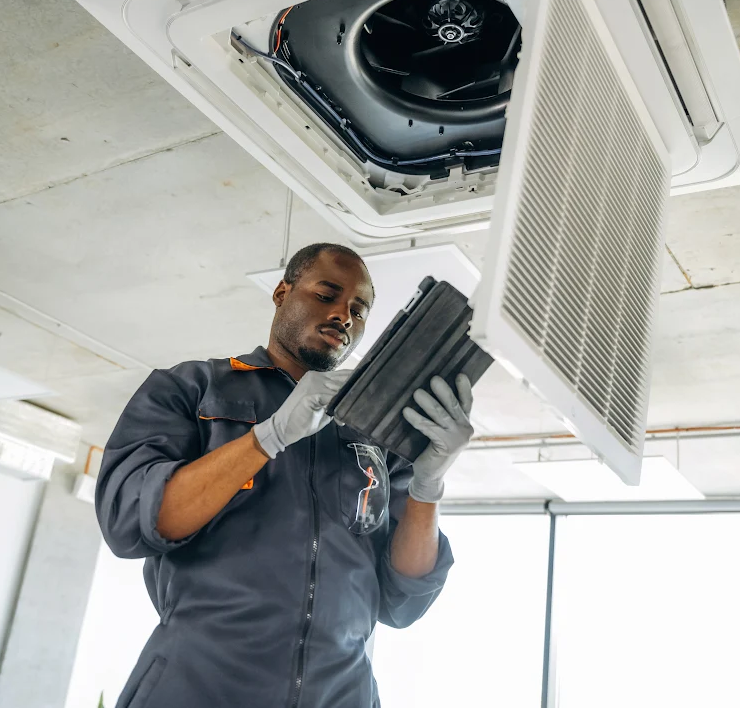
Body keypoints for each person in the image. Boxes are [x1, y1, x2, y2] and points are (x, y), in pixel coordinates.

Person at [96, 242, 475, 708]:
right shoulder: (193, 388)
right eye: (326, 294)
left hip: (342, 692)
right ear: (282, 293)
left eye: (359, 309)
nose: (344, 315)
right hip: (198, 683)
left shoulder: (372, 428)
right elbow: (130, 524)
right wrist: (267, 438)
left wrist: (428, 484)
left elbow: (403, 598)